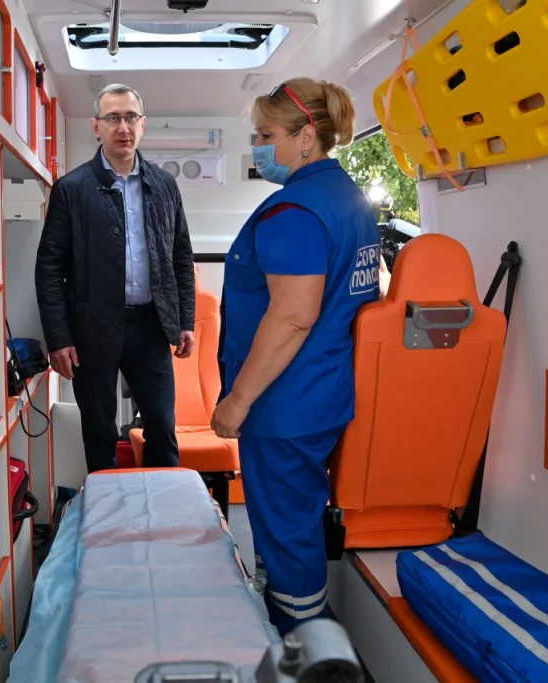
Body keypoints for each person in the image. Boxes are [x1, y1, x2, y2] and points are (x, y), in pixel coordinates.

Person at [211, 78, 382, 635]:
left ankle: (306, 648)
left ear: (306, 136)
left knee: (287, 533)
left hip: (283, 404)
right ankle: (290, 623)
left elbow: (292, 317)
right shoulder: (348, 199)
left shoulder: (296, 211)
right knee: (293, 525)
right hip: (321, 393)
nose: (258, 147)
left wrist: (238, 401)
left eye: (266, 135)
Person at [35, 83, 196, 474]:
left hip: (151, 326)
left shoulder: (164, 185)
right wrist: (59, 338)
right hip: (92, 329)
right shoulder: (71, 189)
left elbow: (180, 256)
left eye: (130, 117)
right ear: (97, 127)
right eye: (113, 118)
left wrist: (185, 321)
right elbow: (49, 268)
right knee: (99, 430)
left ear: (143, 124)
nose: (123, 127)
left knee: (161, 425)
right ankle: (106, 508)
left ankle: (162, 504)